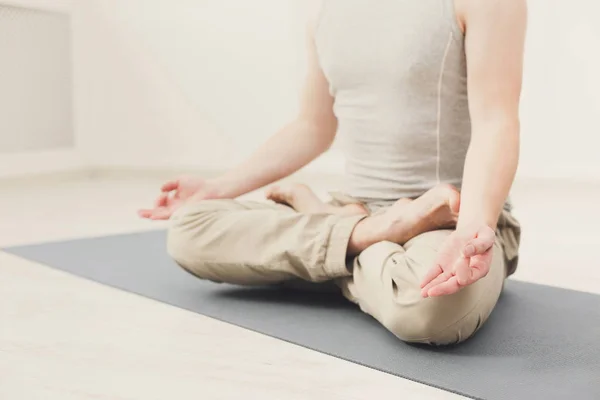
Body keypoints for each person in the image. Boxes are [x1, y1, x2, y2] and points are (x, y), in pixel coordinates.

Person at [139, 0, 526, 345]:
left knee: (429, 310)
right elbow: (312, 127)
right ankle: (365, 235)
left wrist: (474, 228)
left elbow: (496, 122)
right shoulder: (325, 10)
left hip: (454, 219)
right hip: (355, 208)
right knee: (189, 229)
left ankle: (336, 237)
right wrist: (215, 188)